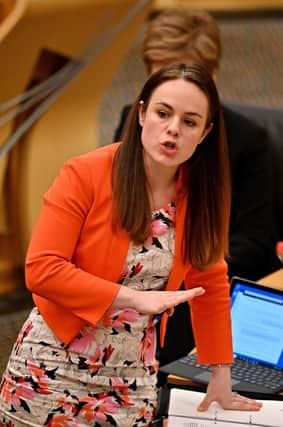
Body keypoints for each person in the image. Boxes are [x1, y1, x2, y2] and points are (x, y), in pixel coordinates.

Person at [0, 64, 261, 426]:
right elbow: (42, 270)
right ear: (141, 114)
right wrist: (135, 299)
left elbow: (211, 284)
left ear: (205, 133)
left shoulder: (201, 195)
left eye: (189, 122)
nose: (172, 129)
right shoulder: (85, 174)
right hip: (52, 366)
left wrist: (221, 375)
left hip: (132, 376)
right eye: (162, 113)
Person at [113, 8, 281, 367]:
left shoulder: (248, 140)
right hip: (141, 283)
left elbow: (252, 243)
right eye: (157, 78)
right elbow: (116, 215)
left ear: (212, 79)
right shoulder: (132, 124)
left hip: (208, 283)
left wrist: (176, 271)